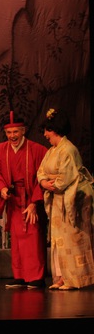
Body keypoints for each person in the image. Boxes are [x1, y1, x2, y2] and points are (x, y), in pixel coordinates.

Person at [0, 112, 48, 289]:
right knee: (17, 239)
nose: (12, 136)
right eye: (9, 132)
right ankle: (19, 275)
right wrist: (2, 189)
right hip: (13, 199)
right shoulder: (1, 150)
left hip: (31, 198)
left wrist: (35, 202)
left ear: (23, 131)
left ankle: (36, 276)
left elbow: (43, 177)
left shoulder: (37, 150)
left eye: (15, 132)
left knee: (33, 238)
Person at [37, 108, 94, 290]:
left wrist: (51, 184)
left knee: (72, 238)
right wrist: (44, 182)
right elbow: (41, 171)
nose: (45, 134)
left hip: (71, 198)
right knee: (58, 240)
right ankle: (61, 277)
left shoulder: (68, 149)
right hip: (56, 198)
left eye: (47, 130)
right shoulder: (52, 151)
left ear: (55, 130)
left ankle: (75, 278)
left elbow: (65, 178)